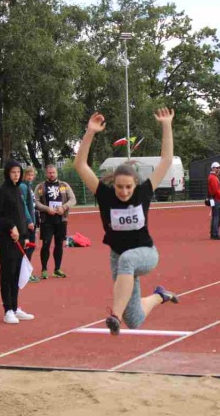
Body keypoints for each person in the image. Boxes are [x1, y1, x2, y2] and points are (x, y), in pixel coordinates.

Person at [74, 110, 179, 336]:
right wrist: (90, 132)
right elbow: (80, 165)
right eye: (120, 187)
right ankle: (159, 295)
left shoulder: (143, 192)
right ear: (114, 184)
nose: (124, 192)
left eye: (128, 187)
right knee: (135, 320)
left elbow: (166, 160)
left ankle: (115, 316)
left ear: (135, 184)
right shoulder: (105, 195)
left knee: (128, 259)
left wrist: (166, 125)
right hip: (118, 257)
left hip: (146, 253)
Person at [0, 160, 35, 324]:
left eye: (18, 172)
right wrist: (11, 226)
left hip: (19, 239)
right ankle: (8, 310)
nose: (16, 175)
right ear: (7, 173)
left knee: (16, 273)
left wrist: (25, 235)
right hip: (6, 239)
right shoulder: (1, 191)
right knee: (7, 274)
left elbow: (21, 214)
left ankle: (15, 308)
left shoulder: (19, 190)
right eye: (13, 172)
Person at [34, 165, 76, 279]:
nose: (52, 174)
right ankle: (44, 269)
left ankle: (57, 269)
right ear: (46, 174)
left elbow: (73, 199)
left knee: (59, 244)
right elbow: (36, 201)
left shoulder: (64, 185)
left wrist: (64, 207)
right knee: (46, 244)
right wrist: (47, 209)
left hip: (61, 220)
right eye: (49, 173)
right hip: (46, 220)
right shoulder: (40, 186)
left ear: (57, 173)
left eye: (53, 172)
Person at [20, 166, 39, 282]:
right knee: (29, 247)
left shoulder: (28, 186)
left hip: (32, 220)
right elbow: (23, 205)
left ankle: (24, 272)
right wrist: (29, 221)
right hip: (28, 222)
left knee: (29, 247)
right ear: (24, 175)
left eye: (32, 175)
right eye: (28, 175)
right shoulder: (23, 186)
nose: (30, 177)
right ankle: (25, 273)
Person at [208, 162, 220, 240]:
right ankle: (215, 233)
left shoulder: (213, 177)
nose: (218, 169)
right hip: (216, 199)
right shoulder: (213, 178)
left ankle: (213, 233)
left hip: (215, 199)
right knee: (217, 217)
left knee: (216, 216)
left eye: (219, 168)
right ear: (213, 168)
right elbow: (216, 190)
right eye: (217, 168)